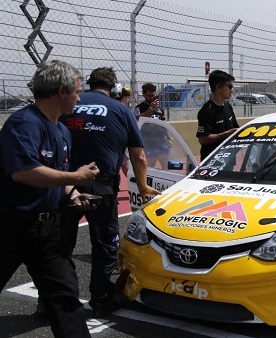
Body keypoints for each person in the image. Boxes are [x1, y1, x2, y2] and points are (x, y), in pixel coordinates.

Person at [0, 60, 100, 337]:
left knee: (66, 297)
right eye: (77, 91)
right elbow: (25, 172)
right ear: (61, 91)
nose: (79, 98)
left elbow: (58, 176)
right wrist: (75, 179)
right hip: (11, 225)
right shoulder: (24, 124)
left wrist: (75, 194)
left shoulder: (62, 130)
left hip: (49, 229)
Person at [60, 67, 160, 316]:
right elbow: (138, 155)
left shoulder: (70, 103)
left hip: (63, 183)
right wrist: (143, 184)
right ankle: (101, 298)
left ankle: (53, 297)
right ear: (114, 88)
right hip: (101, 184)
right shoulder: (121, 110)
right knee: (104, 244)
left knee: (59, 244)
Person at [196, 70, 240, 161]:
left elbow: (236, 128)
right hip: (211, 162)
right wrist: (227, 134)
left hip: (229, 160)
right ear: (218, 87)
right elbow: (203, 139)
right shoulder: (207, 111)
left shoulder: (228, 107)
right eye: (229, 86)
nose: (232, 90)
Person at [115, 85, 132, 176]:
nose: (128, 100)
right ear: (124, 97)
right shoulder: (123, 109)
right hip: (120, 141)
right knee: (125, 164)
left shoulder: (111, 106)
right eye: (127, 97)